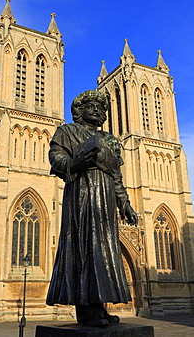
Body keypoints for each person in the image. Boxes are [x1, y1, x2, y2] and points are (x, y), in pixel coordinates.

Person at [46, 90, 137, 327]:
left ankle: (100, 306)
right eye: (91, 105)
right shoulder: (67, 131)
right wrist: (77, 161)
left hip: (105, 198)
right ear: (79, 111)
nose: (97, 109)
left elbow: (116, 175)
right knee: (85, 249)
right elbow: (56, 159)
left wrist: (124, 202)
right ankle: (87, 311)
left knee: (104, 251)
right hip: (82, 196)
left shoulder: (110, 140)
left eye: (101, 106)